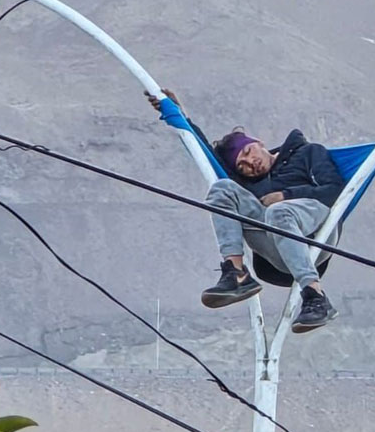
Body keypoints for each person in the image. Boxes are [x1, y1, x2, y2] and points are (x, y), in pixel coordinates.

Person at [147, 90, 343, 333]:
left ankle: (315, 295)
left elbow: (334, 190)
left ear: (258, 142)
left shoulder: (307, 153)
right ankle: (237, 274)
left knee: (277, 212)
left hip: (317, 233)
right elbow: (207, 158)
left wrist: (286, 196)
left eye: (249, 152)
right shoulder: (250, 187)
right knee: (222, 189)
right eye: (243, 165)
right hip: (278, 247)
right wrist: (179, 116)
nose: (250, 163)